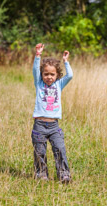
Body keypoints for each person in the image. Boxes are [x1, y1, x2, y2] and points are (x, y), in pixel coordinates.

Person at [31, 43, 73, 183]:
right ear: (42, 75)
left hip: (54, 126)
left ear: (57, 75)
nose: (49, 77)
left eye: (52, 74)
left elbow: (70, 75)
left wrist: (66, 61)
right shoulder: (39, 84)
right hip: (39, 125)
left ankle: (64, 175)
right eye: (46, 74)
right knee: (40, 151)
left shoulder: (58, 85)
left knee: (60, 149)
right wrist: (38, 55)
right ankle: (41, 174)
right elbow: (35, 70)